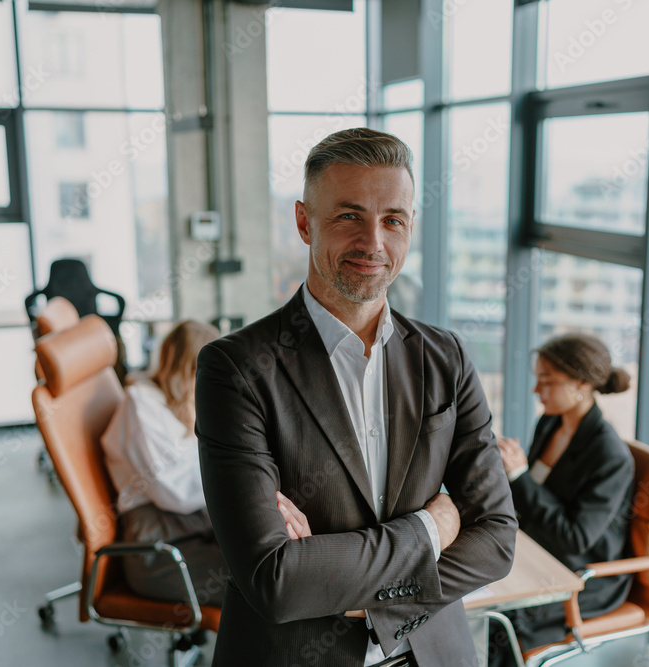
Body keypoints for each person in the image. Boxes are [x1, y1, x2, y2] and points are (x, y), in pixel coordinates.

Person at [195, 128, 517, 667]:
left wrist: (365, 597)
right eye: (349, 216)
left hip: (432, 653)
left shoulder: (447, 358)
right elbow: (276, 580)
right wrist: (430, 528)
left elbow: (497, 540)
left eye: (393, 219)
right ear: (303, 222)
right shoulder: (237, 368)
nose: (373, 242)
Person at [490, 333, 635, 666]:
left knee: (503, 623)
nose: (536, 391)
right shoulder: (550, 422)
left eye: (547, 381)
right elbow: (530, 494)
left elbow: (575, 538)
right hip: (536, 546)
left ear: (581, 384)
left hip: (581, 573)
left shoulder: (608, 454)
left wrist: (519, 476)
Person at [101, 320, 230, 608]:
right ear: (185, 367)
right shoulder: (141, 405)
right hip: (160, 549)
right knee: (268, 578)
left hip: (191, 528)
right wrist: (235, 475)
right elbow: (174, 492)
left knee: (279, 555)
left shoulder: (175, 405)